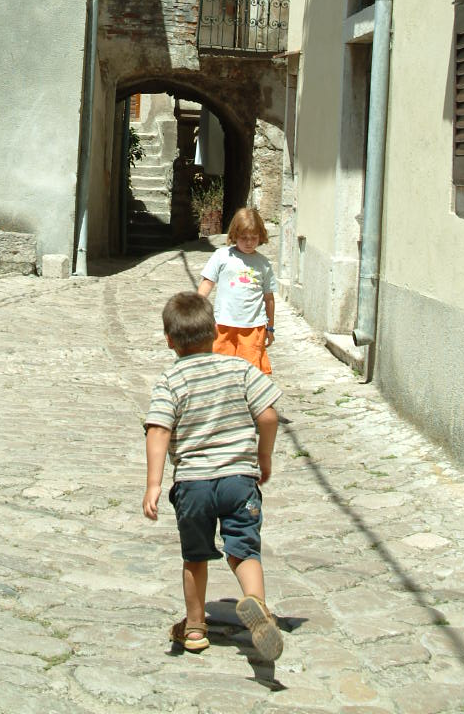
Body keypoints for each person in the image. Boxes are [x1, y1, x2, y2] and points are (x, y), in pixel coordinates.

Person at [143, 291, 283, 660]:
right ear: (216, 331)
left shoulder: (171, 380)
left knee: (195, 556)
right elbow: (269, 415)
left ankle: (194, 628)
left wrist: (154, 484)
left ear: (169, 340)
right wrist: (263, 455)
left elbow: (158, 429)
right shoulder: (240, 369)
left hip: (194, 484)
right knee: (244, 549)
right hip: (239, 480)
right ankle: (258, 606)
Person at [198, 207, 276, 374]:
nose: (249, 242)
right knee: (220, 369)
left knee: (249, 372)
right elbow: (207, 283)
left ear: (260, 236)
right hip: (223, 324)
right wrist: (195, 310)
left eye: (253, 238)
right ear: (234, 235)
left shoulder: (264, 264)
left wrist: (270, 327)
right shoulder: (221, 256)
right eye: (243, 238)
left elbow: (269, 298)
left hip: (253, 327)